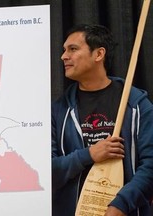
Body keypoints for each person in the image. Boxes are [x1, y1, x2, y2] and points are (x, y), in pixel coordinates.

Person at [51, 24, 153, 216]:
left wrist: (121, 205)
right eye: (64, 50)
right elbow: (48, 171)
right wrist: (88, 154)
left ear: (99, 54)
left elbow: (151, 165)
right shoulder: (58, 111)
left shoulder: (138, 105)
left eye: (73, 49)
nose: (63, 56)